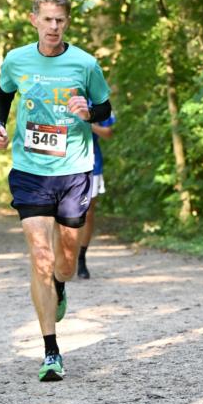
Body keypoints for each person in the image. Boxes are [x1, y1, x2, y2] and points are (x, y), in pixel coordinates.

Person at [0, 0, 112, 382]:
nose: (54, 26)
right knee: (40, 256)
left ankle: (61, 285)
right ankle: (51, 351)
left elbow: (105, 110)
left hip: (74, 169)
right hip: (30, 170)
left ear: (67, 22)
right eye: (47, 19)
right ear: (34, 20)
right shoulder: (16, 60)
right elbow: (3, 95)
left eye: (60, 20)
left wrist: (88, 111)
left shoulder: (85, 63)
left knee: (65, 262)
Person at [77, 109, 116, 279]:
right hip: (60, 163)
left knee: (87, 212)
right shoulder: (57, 95)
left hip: (90, 163)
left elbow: (108, 132)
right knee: (59, 211)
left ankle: (81, 258)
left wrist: (88, 123)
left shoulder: (97, 101)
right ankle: (60, 254)